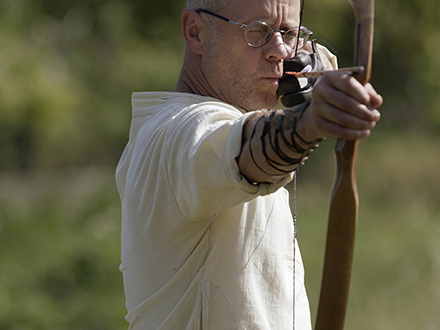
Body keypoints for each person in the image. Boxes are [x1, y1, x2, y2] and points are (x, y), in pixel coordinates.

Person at [115, 0, 383, 328]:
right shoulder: (174, 133)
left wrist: (315, 72)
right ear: (195, 32)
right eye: (257, 32)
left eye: (288, 33)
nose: (279, 53)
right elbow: (240, 149)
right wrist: (307, 124)